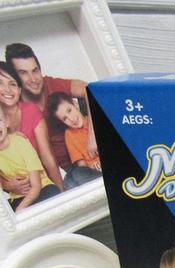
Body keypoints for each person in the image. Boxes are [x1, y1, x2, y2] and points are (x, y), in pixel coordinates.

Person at [5, 43, 97, 189]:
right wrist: (6, 183)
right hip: (47, 178)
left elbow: (91, 90)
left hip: (84, 163)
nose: (33, 79)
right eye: (23, 73)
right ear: (15, 77)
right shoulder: (12, 104)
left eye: (35, 70)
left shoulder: (51, 84)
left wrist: (92, 135)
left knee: (77, 180)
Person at [0, 62, 63, 192]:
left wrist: (61, 193)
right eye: (0, 83)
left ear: (19, 90)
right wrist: (6, 185)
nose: (7, 89)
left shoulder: (31, 111)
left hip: (43, 185)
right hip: (16, 194)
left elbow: (47, 158)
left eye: (12, 84)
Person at [0, 110, 59, 211]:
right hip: (18, 197)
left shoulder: (20, 142)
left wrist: (20, 209)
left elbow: (36, 185)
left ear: (7, 122)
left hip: (42, 189)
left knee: (52, 197)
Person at [47, 91, 101, 174]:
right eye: (65, 118)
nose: (71, 119)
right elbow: (82, 166)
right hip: (93, 173)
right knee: (77, 174)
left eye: (69, 110)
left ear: (75, 104)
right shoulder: (69, 135)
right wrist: (93, 168)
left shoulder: (93, 120)